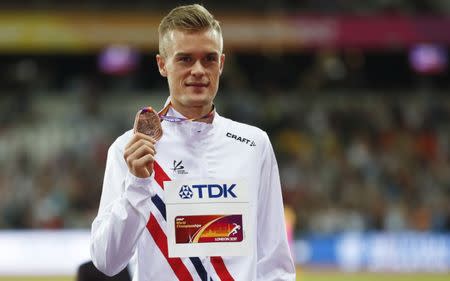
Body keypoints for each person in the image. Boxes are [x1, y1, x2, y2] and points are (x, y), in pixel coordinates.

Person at [90, 4, 295, 280]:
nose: (198, 70)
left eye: (208, 59)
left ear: (221, 64)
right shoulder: (130, 148)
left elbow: (275, 263)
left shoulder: (253, 145)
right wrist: (138, 186)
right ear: (163, 65)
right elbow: (107, 261)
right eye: (185, 59)